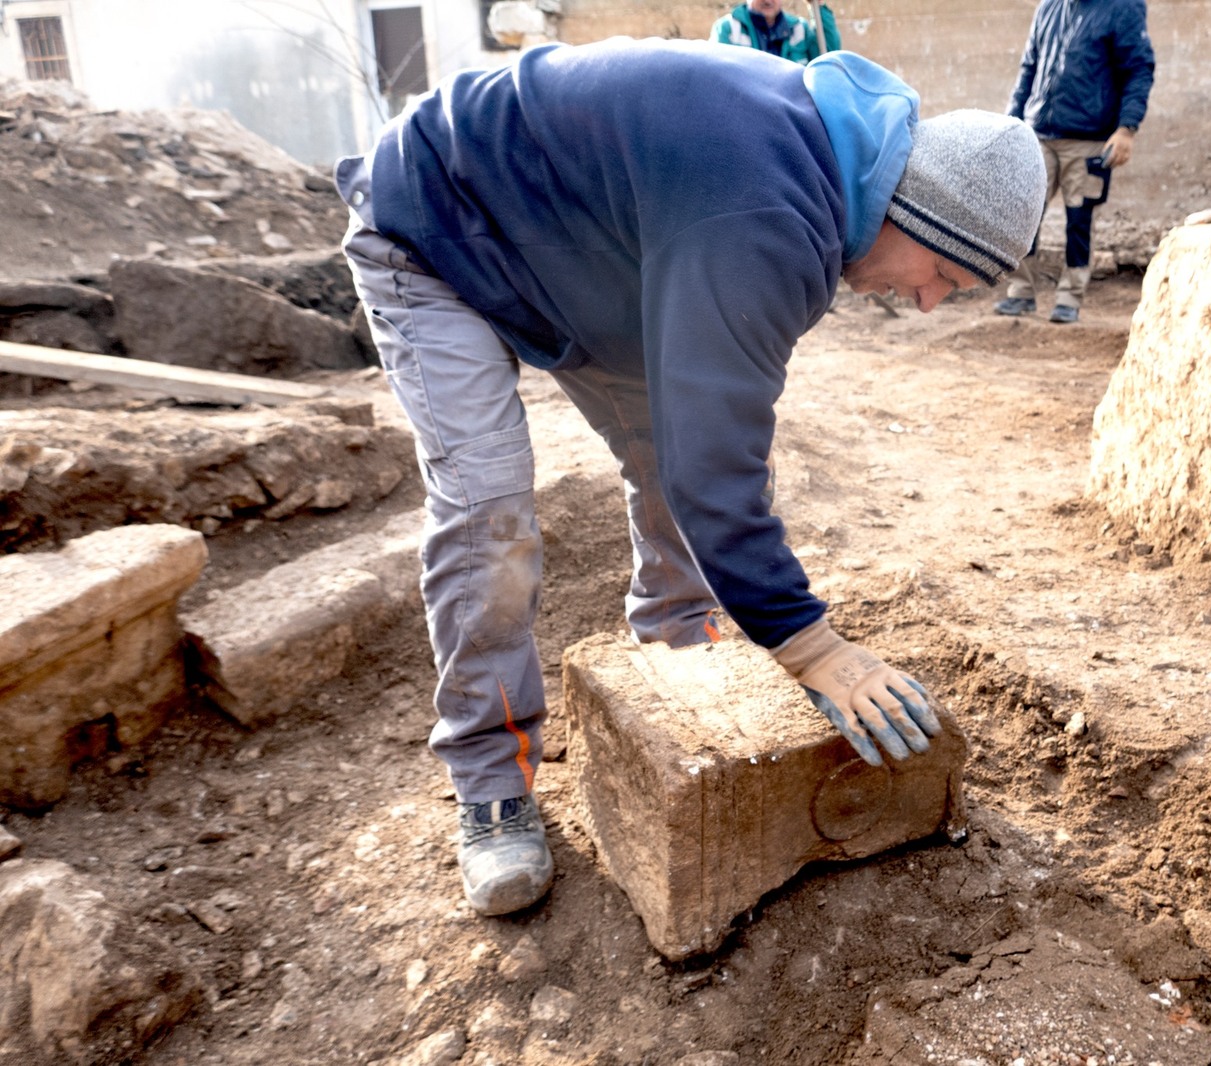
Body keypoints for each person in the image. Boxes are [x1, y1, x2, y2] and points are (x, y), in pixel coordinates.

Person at [335, 37, 1047, 917]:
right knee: (491, 508)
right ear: (913, 215)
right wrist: (812, 646)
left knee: (671, 452)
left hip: (581, 255)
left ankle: (677, 656)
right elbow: (717, 465)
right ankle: (491, 779)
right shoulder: (767, 213)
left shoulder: (830, 183)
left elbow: (713, 431)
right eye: (942, 274)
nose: (930, 301)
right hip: (437, 222)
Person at [994, 0, 1155, 324]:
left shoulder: (1123, 8)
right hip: (1037, 134)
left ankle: (1069, 298)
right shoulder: (1049, 7)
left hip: (1089, 139)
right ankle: (1021, 292)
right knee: (1021, 213)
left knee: (1079, 222)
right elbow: (1029, 66)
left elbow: (1138, 69)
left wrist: (1127, 128)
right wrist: (1011, 122)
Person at [711, 0, 840, 63]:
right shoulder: (728, 29)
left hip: (792, 111)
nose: (768, 1)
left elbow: (829, 56)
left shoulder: (799, 29)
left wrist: (819, 5)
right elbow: (719, 76)